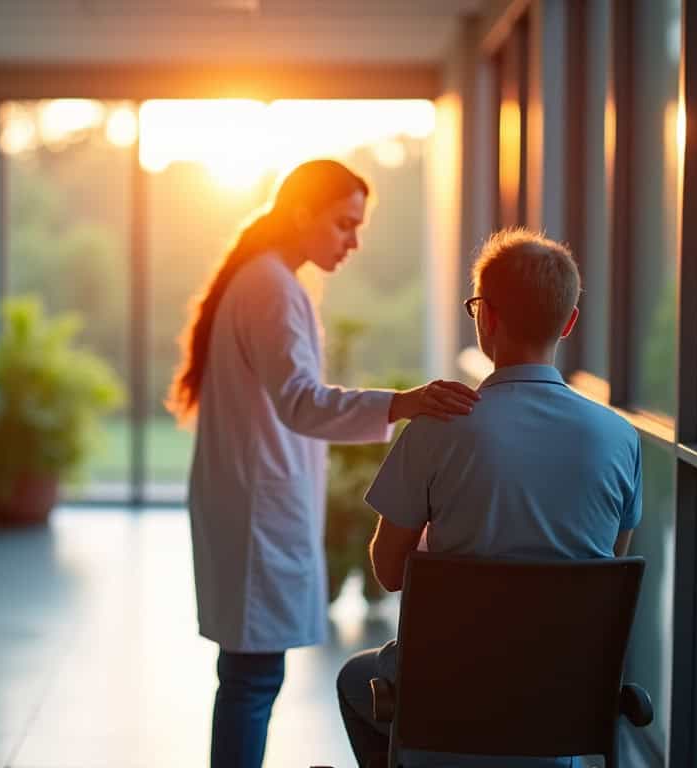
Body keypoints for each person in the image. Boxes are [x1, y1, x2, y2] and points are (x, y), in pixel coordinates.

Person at [166, 159, 481, 768]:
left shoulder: (269, 280)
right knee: (251, 680)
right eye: (343, 224)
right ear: (301, 213)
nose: (353, 242)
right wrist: (403, 404)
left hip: (252, 500)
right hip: (256, 507)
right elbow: (302, 404)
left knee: (246, 677)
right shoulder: (270, 286)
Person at [336, 228, 643, 768]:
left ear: (486, 319)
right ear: (569, 323)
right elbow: (605, 566)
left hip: (445, 713)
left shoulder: (437, 426)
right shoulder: (620, 439)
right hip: (557, 719)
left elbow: (388, 570)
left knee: (355, 678)